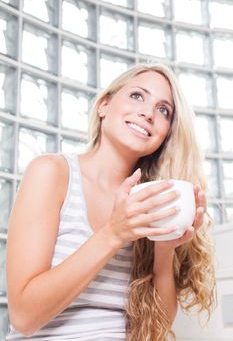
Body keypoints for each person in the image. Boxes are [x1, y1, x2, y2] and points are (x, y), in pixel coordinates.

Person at [6, 63, 216, 341]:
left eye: (163, 110)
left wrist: (164, 250)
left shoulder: (148, 203)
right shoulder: (52, 173)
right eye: (137, 96)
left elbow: (158, 328)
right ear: (104, 105)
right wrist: (113, 234)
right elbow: (23, 317)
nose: (148, 113)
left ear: (167, 134)